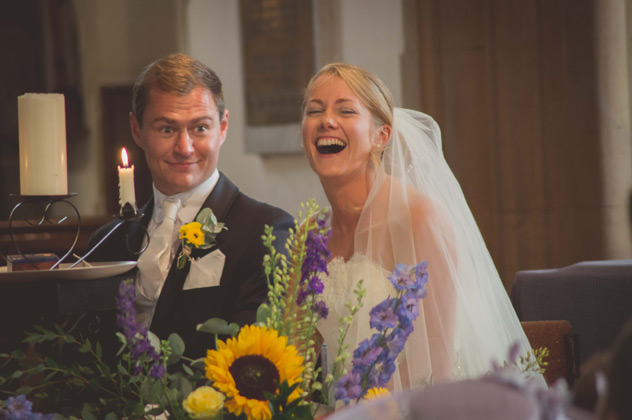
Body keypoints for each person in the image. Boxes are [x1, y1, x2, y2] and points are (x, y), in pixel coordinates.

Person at [302, 63, 545, 392]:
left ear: (381, 135)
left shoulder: (418, 219)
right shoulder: (308, 235)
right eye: (314, 110)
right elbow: (297, 350)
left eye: (345, 110)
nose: (326, 120)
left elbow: (432, 370)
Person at [89, 53, 293, 358]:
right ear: (137, 130)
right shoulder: (107, 243)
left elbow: (253, 361)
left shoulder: (265, 232)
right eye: (166, 129)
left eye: (199, 128)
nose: (184, 148)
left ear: (222, 128)